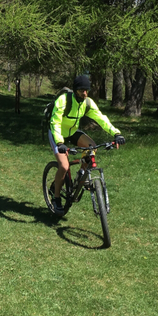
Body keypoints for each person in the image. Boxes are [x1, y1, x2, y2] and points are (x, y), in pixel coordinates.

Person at [48, 75, 126, 215]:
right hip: (57, 133)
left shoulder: (88, 103)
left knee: (92, 148)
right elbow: (55, 122)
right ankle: (56, 197)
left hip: (72, 131)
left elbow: (101, 118)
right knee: (64, 166)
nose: (84, 93)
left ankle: (81, 175)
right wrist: (60, 142)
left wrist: (116, 133)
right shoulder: (64, 100)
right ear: (75, 90)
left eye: (86, 90)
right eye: (81, 90)